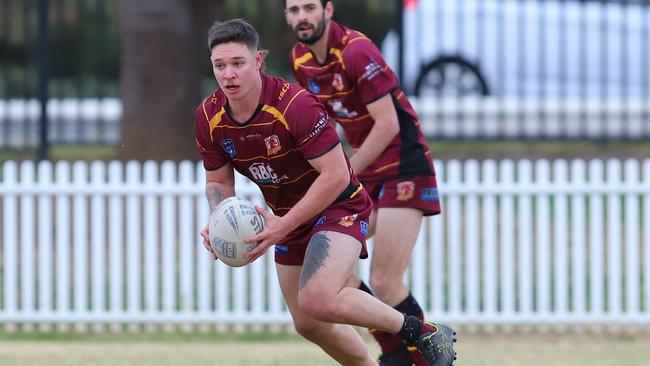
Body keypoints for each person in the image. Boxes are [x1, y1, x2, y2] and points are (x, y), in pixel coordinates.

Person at [195, 19, 456, 366]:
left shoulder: (295, 106)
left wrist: (282, 225)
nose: (229, 75)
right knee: (308, 322)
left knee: (318, 298)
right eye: (220, 66)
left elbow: (336, 176)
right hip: (289, 215)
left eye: (238, 63)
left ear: (258, 60)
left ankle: (422, 332)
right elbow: (217, 183)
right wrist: (219, 218)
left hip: (338, 204)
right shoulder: (209, 116)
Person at [284, 1, 450, 365]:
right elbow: (322, 129)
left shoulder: (357, 51)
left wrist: (344, 175)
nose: (302, 17)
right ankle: (394, 352)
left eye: (309, 7)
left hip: (403, 165)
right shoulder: (300, 59)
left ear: (328, 10)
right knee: (334, 272)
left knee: (385, 279)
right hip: (365, 170)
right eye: (293, 9)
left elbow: (388, 124)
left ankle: (428, 353)